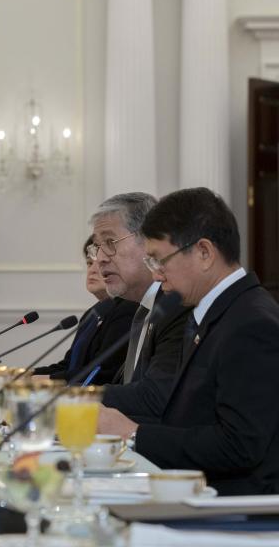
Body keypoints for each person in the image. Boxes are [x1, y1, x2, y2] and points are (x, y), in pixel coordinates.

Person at [99, 188, 279, 495]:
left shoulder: (251, 323)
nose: (156, 276)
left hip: (235, 511)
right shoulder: (215, 313)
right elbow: (185, 417)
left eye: (159, 261)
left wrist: (132, 433)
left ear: (204, 253)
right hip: (195, 490)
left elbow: (239, 446)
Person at [89, 193, 192, 420]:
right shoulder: (144, 308)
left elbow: (154, 397)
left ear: (149, 242)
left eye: (109, 243)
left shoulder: (177, 307)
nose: (100, 259)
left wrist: (67, 398)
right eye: (96, 247)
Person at [33, 235, 137, 384]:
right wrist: (27, 374)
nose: (92, 270)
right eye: (89, 263)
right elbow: (69, 365)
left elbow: (101, 372)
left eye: (99, 264)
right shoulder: (93, 313)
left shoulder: (127, 309)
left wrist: (48, 379)